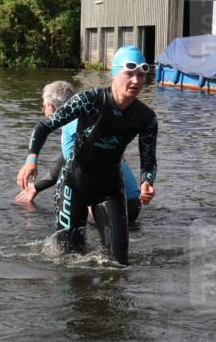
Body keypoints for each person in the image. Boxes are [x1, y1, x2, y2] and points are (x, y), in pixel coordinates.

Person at [16, 46, 157, 265]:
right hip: (73, 185)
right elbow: (45, 126)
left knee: (118, 265)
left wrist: (147, 181)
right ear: (115, 73)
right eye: (129, 74)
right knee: (67, 258)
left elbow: (148, 159)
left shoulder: (146, 117)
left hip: (110, 190)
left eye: (141, 75)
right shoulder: (89, 100)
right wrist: (31, 160)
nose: (136, 81)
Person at [16, 81, 142, 223]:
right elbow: (65, 162)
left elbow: (91, 165)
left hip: (110, 204)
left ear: (51, 107)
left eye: (43, 107)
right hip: (133, 204)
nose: (43, 110)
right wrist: (35, 188)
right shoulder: (89, 117)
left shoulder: (71, 124)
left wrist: (89, 201)